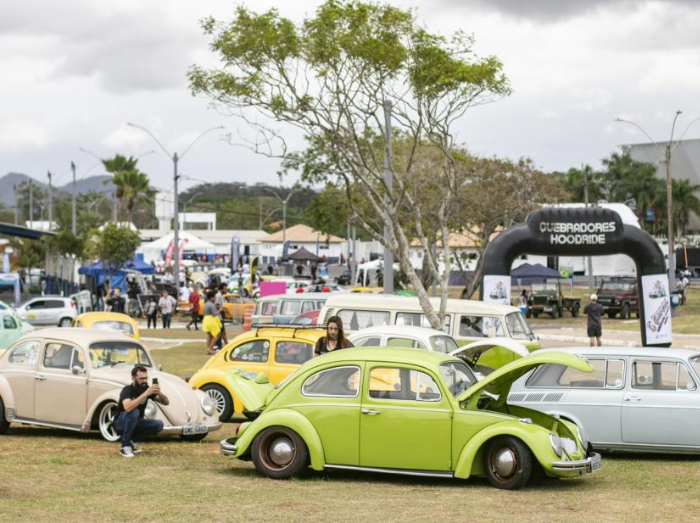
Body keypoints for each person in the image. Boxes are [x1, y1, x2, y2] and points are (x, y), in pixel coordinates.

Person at [113, 365, 169, 458]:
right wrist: (145, 394)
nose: (144, 381)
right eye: (141, 378)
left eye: (146, 378)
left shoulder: (146, 389)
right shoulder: (127, 390)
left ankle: (131, 441)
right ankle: (124, 446)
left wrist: (159, 393)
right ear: (133, 378)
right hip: (120, 423)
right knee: (134, 412)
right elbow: (127, 407)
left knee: (158, 424)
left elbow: (166, 402)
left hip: (135, 422)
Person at [202, 290, 222, 355]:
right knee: (217, 334)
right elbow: (214, 314)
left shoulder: (205, 304)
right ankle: (210, 348)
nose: (215, 299)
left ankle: (208, 349)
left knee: (209, 335)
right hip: (210, 319)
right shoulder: (211, 304)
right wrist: (220, 310)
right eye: (214, 297)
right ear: (211, 298)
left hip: (205, 319)